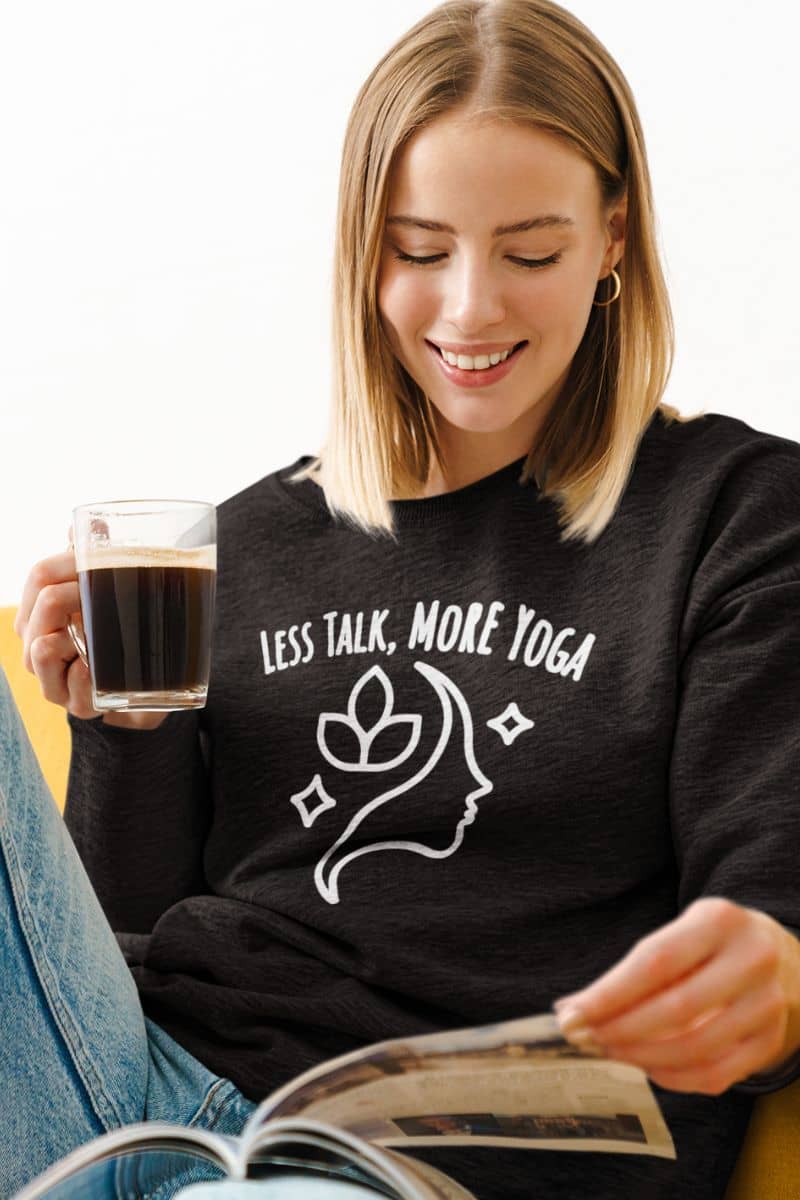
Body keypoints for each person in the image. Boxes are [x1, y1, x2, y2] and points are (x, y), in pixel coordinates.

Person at [6, 0, 800, 1196]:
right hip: (132, 1094)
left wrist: (769, 967)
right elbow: (114, 939)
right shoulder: (244, 540)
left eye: (528, 253)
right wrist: (129, 729)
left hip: (414, 1164)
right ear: (361, 255)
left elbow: (768, 890)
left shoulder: (732, 517)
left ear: (613, 238)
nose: (469, 308)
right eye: (419, 251)